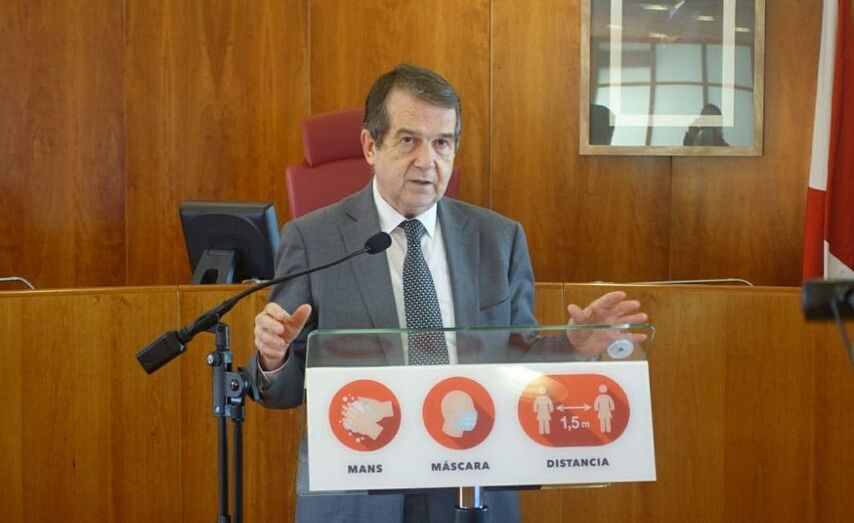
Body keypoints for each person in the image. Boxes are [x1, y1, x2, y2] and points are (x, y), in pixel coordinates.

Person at [250, 64, 647, 523]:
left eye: (442, 143)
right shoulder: (313, 238)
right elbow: (282, 391)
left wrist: (572, 347)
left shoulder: (498, 238)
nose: (427, 161)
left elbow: (519, 362)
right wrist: (274, 357)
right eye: (408, 140)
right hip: (360, 492)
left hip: (473, 480)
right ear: (370, 146)